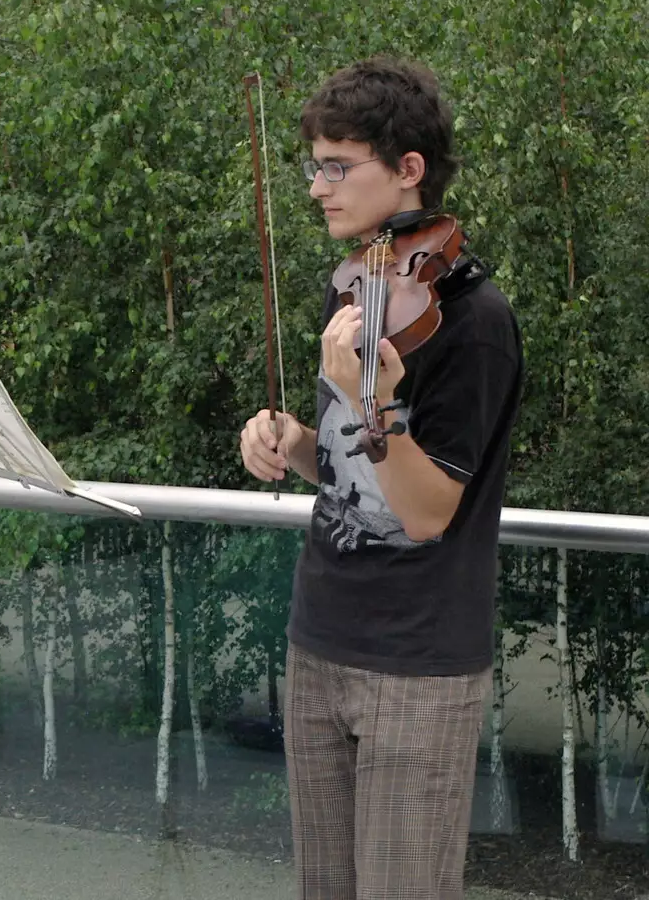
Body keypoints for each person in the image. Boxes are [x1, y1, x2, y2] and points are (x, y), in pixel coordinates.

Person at [238, 57, 524, 900]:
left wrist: (380, 408)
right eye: (313, 165)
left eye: (338, 166)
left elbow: (430, 510)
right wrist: (288, 441)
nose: (318, 187)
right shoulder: (357, 291)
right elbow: (346, 473)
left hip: (419, 664)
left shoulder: (475, 321)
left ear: (409, 172)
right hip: (319, 636)